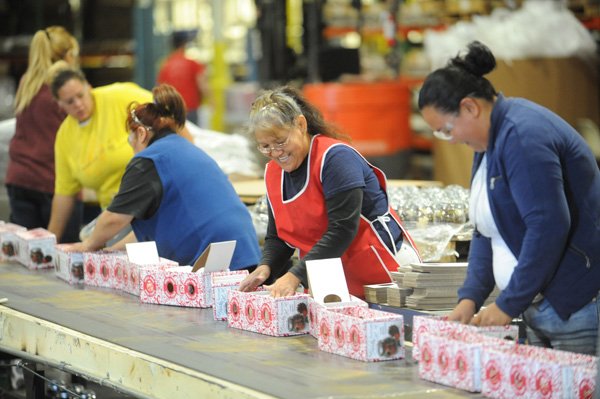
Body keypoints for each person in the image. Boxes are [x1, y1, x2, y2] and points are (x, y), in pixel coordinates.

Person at [418, 41, 600, 355]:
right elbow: (485, 230)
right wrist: (470, 298)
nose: (450, 140)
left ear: (470, 107)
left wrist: (507, 303)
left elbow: (548, 226)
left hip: (571, 305)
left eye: (446, 130)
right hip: (537, 306)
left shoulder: (522, 136)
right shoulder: (487, 143)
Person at [238, 86, 420, 299]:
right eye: (265, 146)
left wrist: (295, 275)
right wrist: (265, 266)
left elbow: (342, 229)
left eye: (281, 141)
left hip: (385, 273)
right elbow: (278, 236)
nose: (276, 153)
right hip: (332, 278)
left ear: (300, 124)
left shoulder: (335, 158)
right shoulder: (273, 172)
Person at [71, 84, 260, 269]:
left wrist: (88, 245)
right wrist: (111, 252)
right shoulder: (185, 150)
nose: (132, 147)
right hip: (246, 255)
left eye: (131, 140)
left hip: (217, 262)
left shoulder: (149, 160)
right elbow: (146, 231)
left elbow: (114, 218)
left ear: (141, 133)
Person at [5, 26, 82, 242]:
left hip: (20, 180)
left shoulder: (27, 82)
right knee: (62, 258)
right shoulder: (65, 88)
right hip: (55, 185)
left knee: (26, 257)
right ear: (68, 55)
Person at [157, 30, 206, 125]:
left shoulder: (165, 64)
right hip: (190, 108)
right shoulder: (193, 64)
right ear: (184, 44)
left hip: (172, 110)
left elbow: (160, 88)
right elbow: (203, 86)